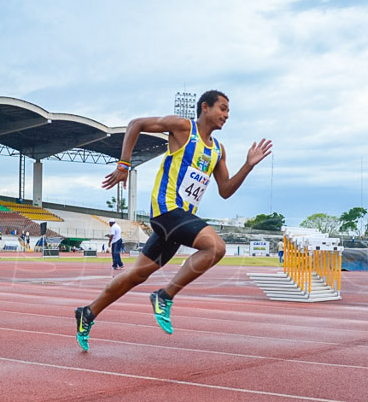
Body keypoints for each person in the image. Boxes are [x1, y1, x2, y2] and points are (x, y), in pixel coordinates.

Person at [74, 90, 272, 351]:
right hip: (167, 210)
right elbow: (136, 124)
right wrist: (124, 164)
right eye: (222, 109)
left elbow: (225, 190)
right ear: (205, 107)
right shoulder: (182, 128)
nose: (226, 115)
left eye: (228, 111)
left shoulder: (218, 151)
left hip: (179, 220)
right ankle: (164, 296)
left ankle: (88, 312)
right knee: (216, 247)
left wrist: (248, 166)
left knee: (136, 275)